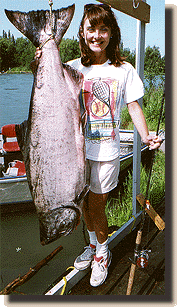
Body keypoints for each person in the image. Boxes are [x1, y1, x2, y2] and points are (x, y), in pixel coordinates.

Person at [32, 3, 162, 287]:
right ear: (82, 32)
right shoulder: (72, 68)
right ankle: (93, 246)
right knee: (84, 207)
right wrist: (39, 60)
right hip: (75, 155)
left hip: (106, 152)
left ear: (111, 33)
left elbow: (134, 107)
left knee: (96, 205)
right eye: (92, 28)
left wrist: (146, 135)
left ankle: (102, 254)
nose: (97, 35)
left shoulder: (123, 69)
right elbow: (46, 88)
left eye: (104, 29)